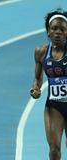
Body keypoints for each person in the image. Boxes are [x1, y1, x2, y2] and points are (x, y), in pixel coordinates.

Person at [30, 8, 67, 160]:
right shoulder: (41, 52)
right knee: (54, 148)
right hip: (54, 105)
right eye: (54, 29)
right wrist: (35, 88)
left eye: (62, 29)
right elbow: (38, 78)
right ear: (48, 31)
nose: (58, 32)